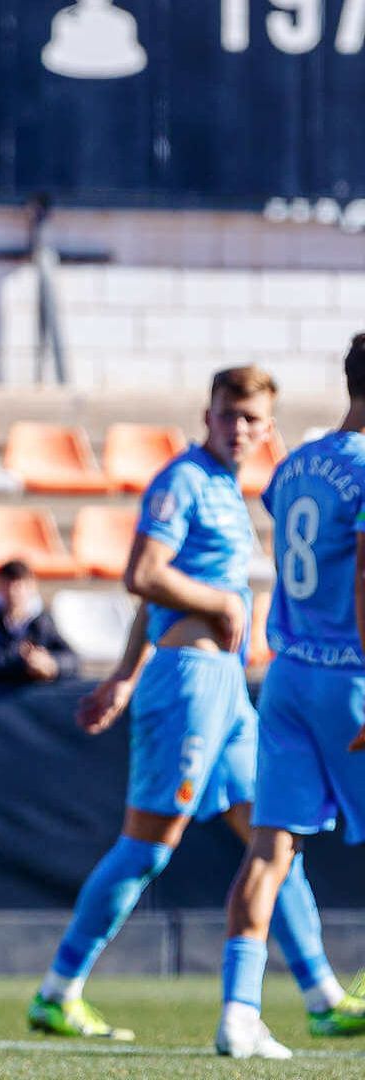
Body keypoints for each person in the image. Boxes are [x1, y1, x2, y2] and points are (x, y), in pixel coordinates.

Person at [29, 366, 349, 1044]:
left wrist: (119, 674)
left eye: (252, 420)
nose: (238, 429)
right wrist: (219, 603)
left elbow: (159, 591)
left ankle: (321, 993)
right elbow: (142, 574)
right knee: (148, 847)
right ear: (207, 413)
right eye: (228, 414)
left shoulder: (231, 491)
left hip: (227, 688)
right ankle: (59, 989)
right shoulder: (182, 480)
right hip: (187, 683)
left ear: (268, 428)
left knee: (275, 837)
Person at [214, 334, 365, 1058]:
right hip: (351, 675)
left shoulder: (299, 462)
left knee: (271, 850)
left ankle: (239, 1014)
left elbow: (286, 517)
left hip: (289, 672)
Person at [0, 561, 79, 685]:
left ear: (32, 586)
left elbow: (71, 659)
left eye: (20, 585)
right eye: (8, 584)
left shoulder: (42, 622)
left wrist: (52, 665)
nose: (13, 592)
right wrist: (24, 662)